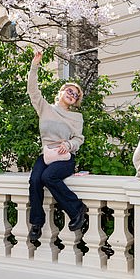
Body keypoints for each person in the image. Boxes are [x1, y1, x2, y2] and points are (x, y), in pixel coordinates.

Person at [27, 51, 87, 242]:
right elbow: (32, 90)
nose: (72, 95)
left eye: (75, 95)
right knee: (35, 180)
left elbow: (79, 139)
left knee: (48, 177)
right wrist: (34, 66)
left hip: (64, 157)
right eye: (69, 91)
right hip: (46, 154)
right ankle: (36, 223)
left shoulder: (76, 117)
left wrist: (69, 145)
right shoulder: (45, 108)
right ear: (61, 92)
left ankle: (76, 209)